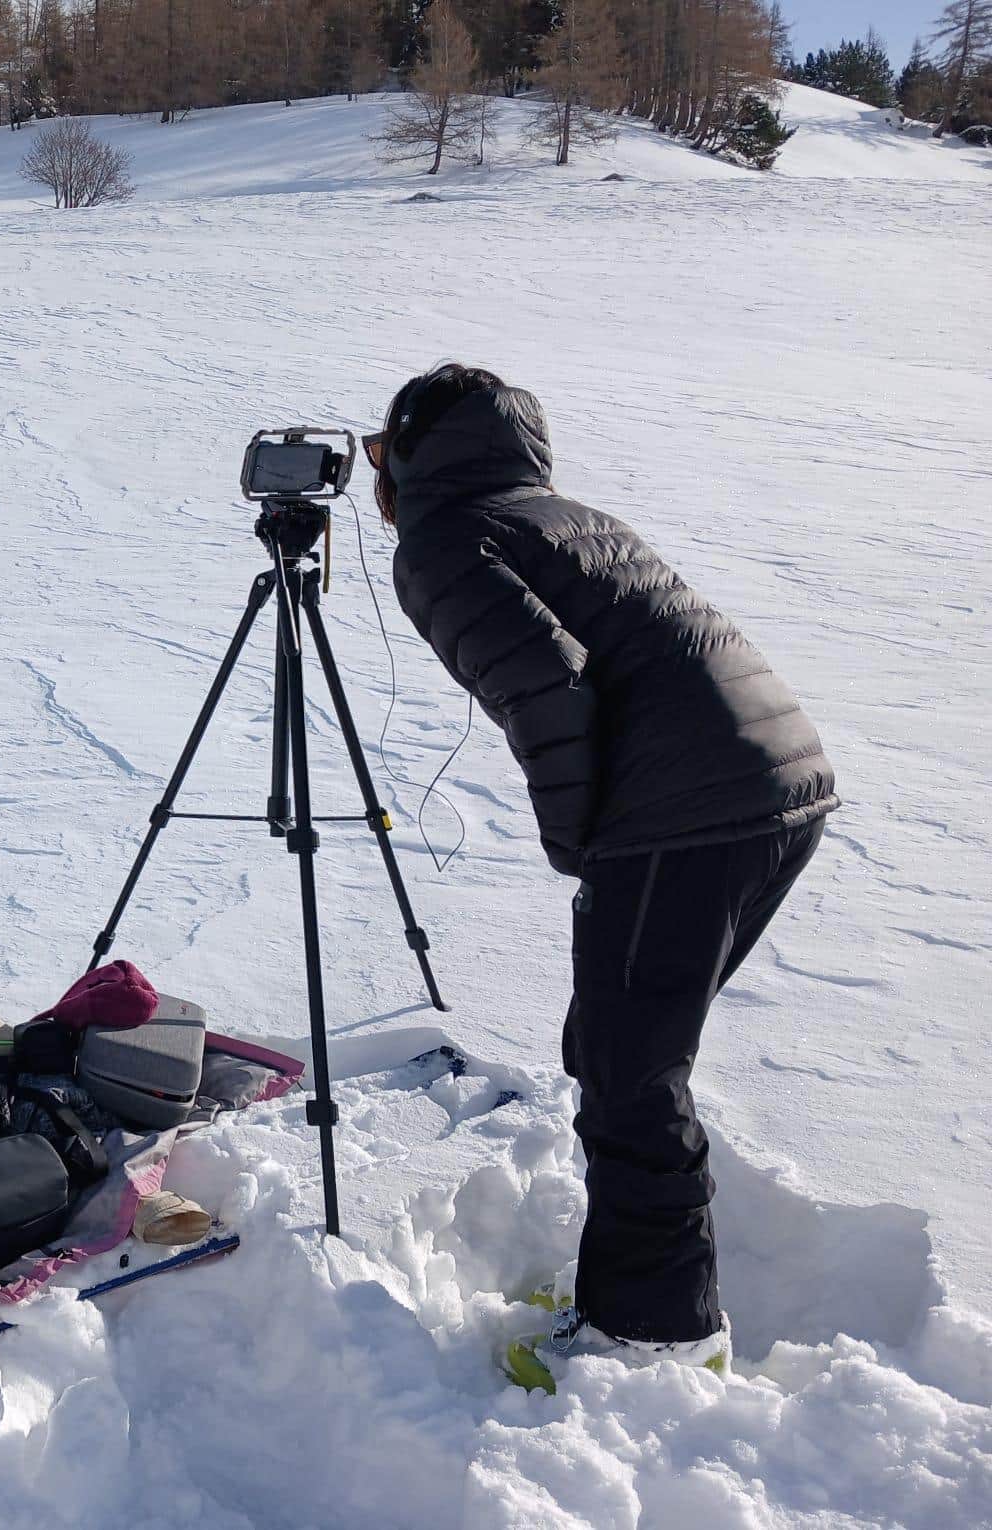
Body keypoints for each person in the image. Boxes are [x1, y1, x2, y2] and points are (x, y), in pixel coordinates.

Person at [370, 364, 837, 1390]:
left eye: (378, 455)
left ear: (411, 457)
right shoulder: (555, 516)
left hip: (689, 812)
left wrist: (585, 847)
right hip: (772, 784)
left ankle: (654, 1337)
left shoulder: (448, 537)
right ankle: (637, 1291)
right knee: (618, 1051)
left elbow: (547, 687)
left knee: (630, 1075)